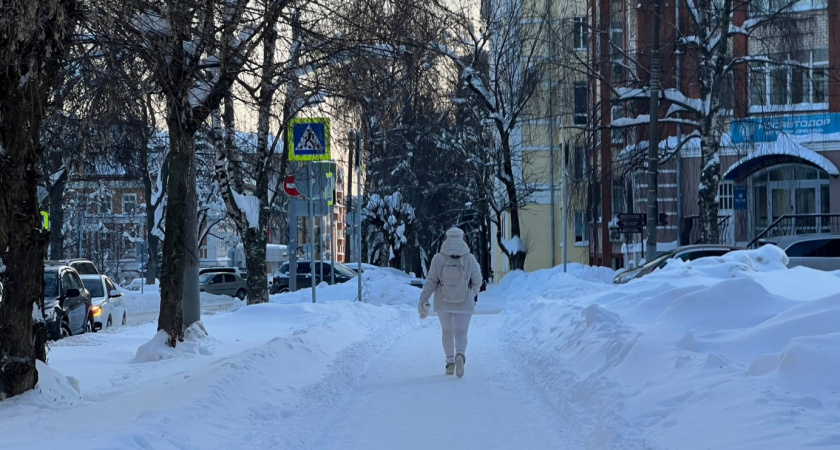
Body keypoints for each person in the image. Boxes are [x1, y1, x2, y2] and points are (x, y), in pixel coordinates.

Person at [418, 227, 482, 378]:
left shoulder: (438, 258)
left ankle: (450, 363)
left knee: (447, 331)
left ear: (446, 239)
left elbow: (431, 281)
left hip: (443, 301)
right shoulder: (469, 258)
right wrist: (470, 293)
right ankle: (460, 355)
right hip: (464, 301)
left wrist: (424, 298)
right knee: (461, 332)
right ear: (462, 239)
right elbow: (478, 281)